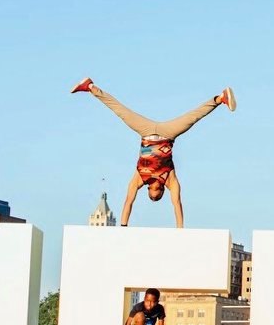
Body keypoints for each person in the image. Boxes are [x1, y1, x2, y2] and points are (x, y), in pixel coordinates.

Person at [72, 78, 235, 228]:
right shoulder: (169, 180)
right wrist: (180, 231)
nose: (156, 188)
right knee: (193, 117)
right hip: (168, 134)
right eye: (158, 191)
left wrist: (123, 227)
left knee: (120, 110)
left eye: (153, 190)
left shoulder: (140, 178)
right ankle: (220, 98)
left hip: (146, 132)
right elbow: (176, 204)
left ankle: (90, 87)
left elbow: (129, 201)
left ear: (148, 189)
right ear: (163, 190)